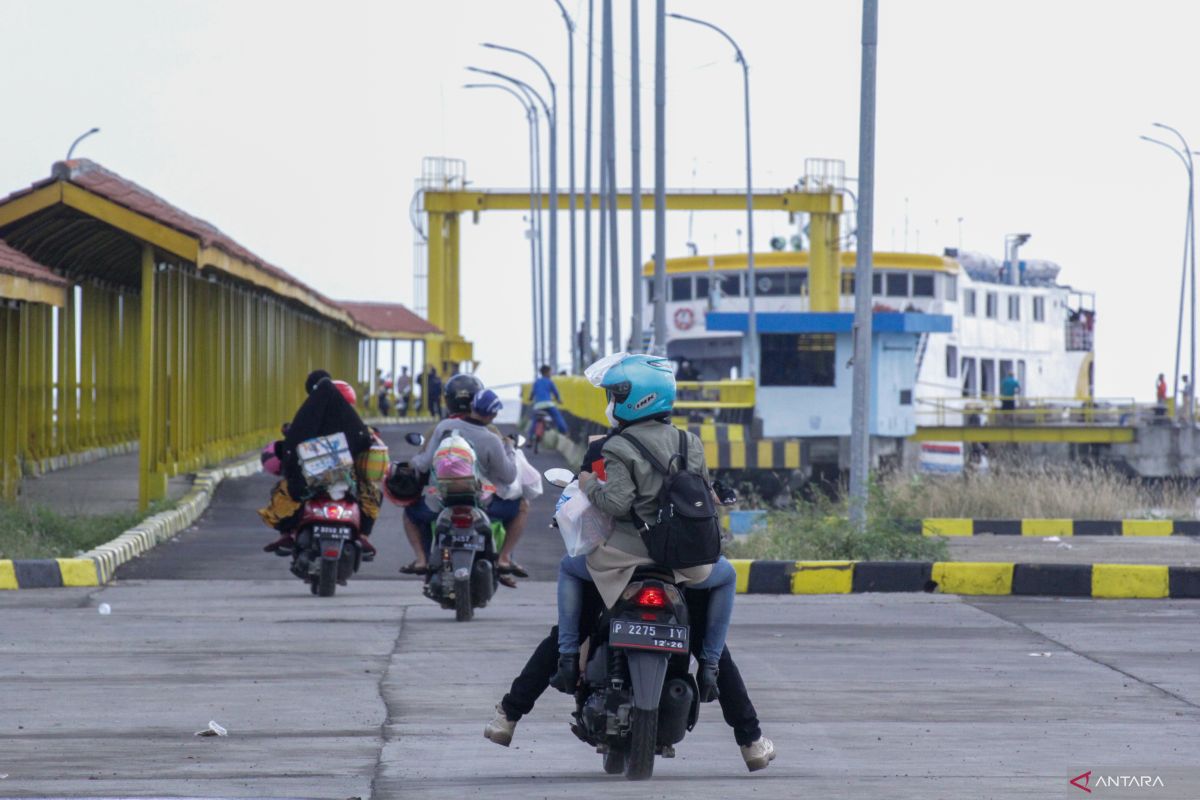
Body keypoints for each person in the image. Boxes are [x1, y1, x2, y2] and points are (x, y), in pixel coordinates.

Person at [550, 353, 737, 703]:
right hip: (683, 561)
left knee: (569, 568)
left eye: (616, 396)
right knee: (726, 577)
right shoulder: (690, 442)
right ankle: (710, 665)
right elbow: (702, 495)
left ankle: (566, 656)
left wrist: (589, 483)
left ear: (637, 398)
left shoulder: (619, 445)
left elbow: (617, 503)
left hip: (626, 558)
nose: (612, 402)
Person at [483, 580, 776, 771]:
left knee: (566, 627)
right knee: (709, 636)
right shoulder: (690, 481)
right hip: (681, 572)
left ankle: (509, 714)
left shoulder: (604, 480)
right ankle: (750, 740)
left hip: (614, 570)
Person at [399, 375, 529, 586]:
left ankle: (422, 560)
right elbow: (508, 476)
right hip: (482, 503)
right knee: (521, 506)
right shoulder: (492, 436)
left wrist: (410, 464)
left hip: (441, 500)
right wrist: (510, 450)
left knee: (412, 512)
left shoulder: (443, 427)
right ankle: (504, 559)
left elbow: (423, 464)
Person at [258, 370, 381, 558]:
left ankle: (286, 532)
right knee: (371, 491)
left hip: (309, 478)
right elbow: (364, 441)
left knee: (284, 489)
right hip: (348, 477)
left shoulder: (311, 411)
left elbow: (294, 441)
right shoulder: (353, 422)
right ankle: (364, 534)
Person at [528, 364, 568, 439]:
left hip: (538, 406)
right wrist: (559, 400)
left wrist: (530, 398)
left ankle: (530, 438)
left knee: (534, 420)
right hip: (548, 404)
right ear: (546, 373)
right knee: (557, 417)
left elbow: (532, 393)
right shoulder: (549, 382)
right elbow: (556, 393)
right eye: (550, 372)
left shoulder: (537, 382)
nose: (551, 374)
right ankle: (564, 431)